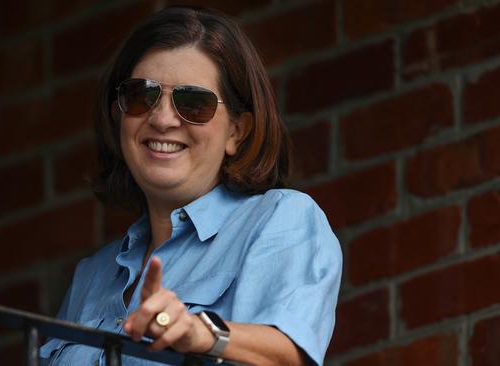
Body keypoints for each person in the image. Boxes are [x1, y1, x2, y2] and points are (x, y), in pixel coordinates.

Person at [40, 5, 341, 366]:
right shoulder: (92, 275)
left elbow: (289, 356)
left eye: (193, 103)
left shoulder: (278, 218)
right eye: (141, 95)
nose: (163, 119)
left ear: (236, 132)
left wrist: (200, 334)